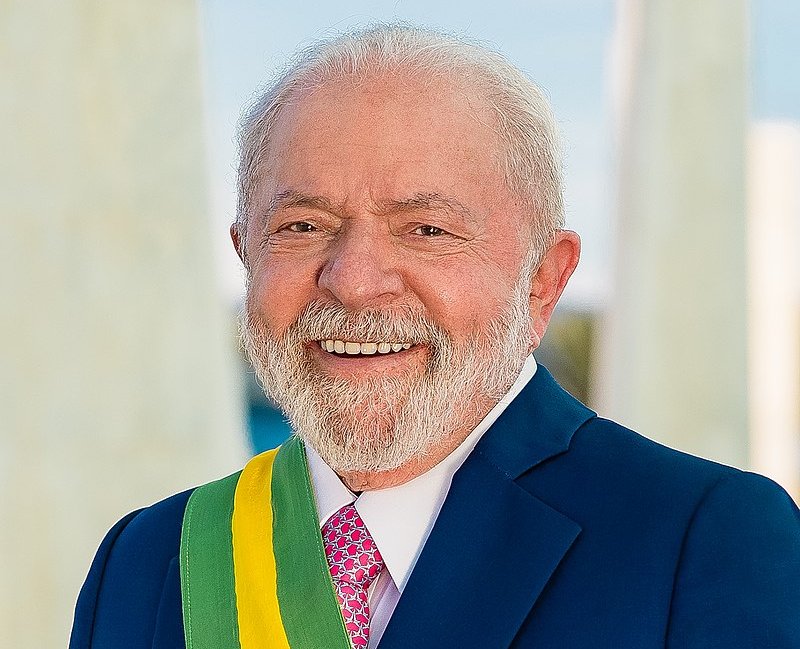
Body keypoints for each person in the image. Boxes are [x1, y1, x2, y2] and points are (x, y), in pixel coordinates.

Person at [70, 24, 800, 649]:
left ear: (544, 278)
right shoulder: (144, 561)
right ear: (245, 254)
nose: (353, 280)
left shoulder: (710, 540)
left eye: (427, 229)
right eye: (302, 226)